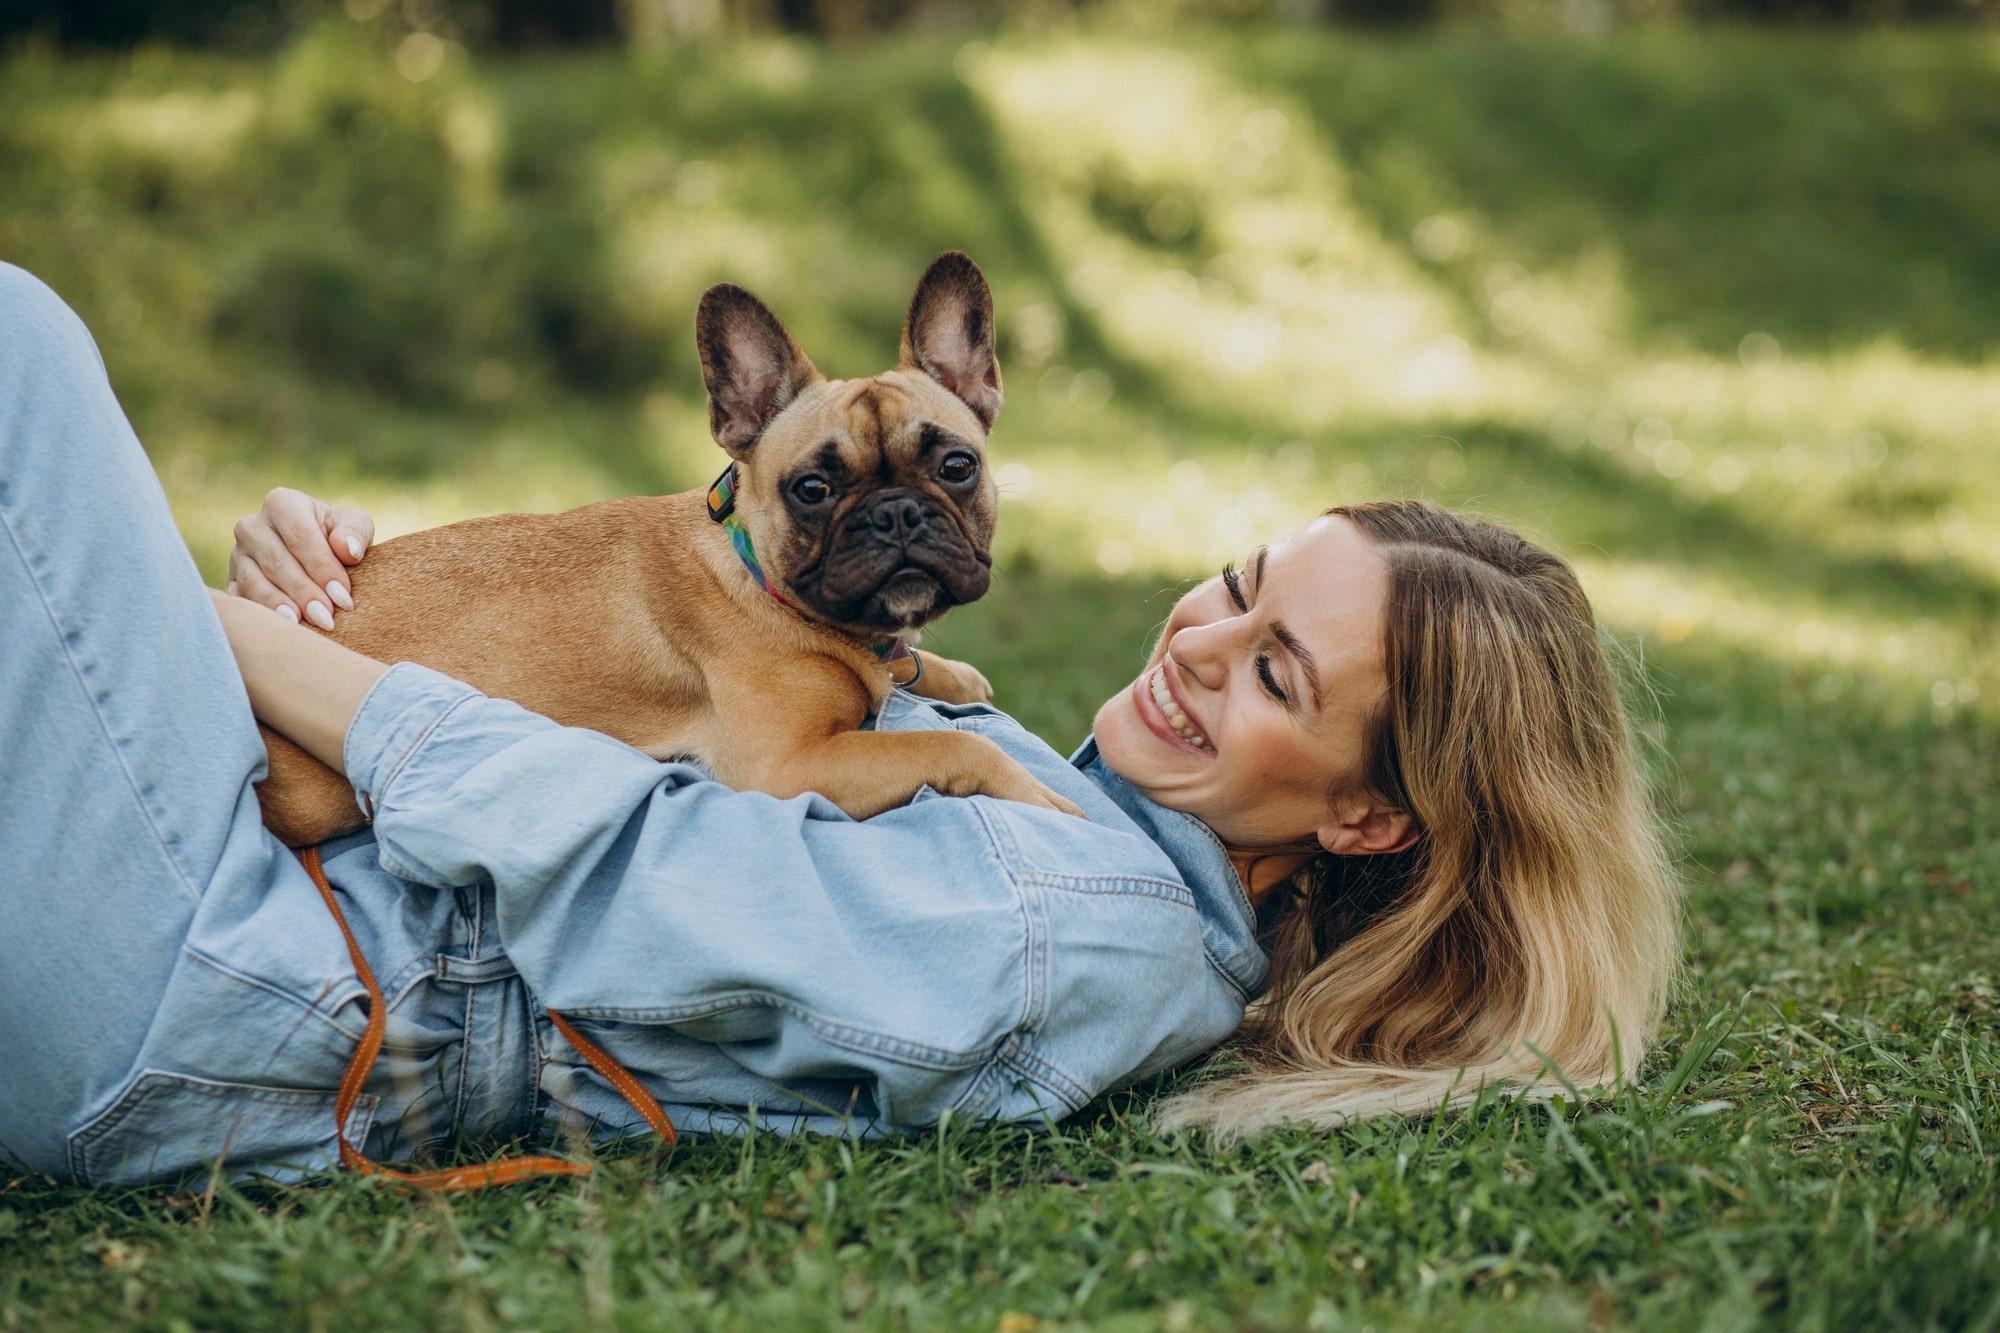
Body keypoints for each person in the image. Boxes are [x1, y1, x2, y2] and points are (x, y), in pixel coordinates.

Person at [0, 263, 1679, 1186]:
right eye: (1238, 581)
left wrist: (199, 627)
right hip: (240, 904)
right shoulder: (1060, 802)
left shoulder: (1066, 911)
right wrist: (313, 597)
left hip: (235, 984)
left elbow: (616, 851)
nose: (1199, 636)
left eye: (1275, 672)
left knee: (26, 353)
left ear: (1371, 819)